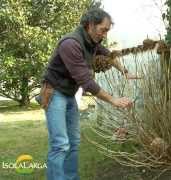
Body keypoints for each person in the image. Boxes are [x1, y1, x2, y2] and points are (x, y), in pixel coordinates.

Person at [39, 8, 138, 180]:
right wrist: (113, 100)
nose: (105, 34)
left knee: (74, 142)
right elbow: (86, 82)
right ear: (91, 25)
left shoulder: (92, 42)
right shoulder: (71, 43)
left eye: (107, 31)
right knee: (60, 144)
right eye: (103, 30)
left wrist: (125, 71)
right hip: (54, 93)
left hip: (68, 94)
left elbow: (109, 55)